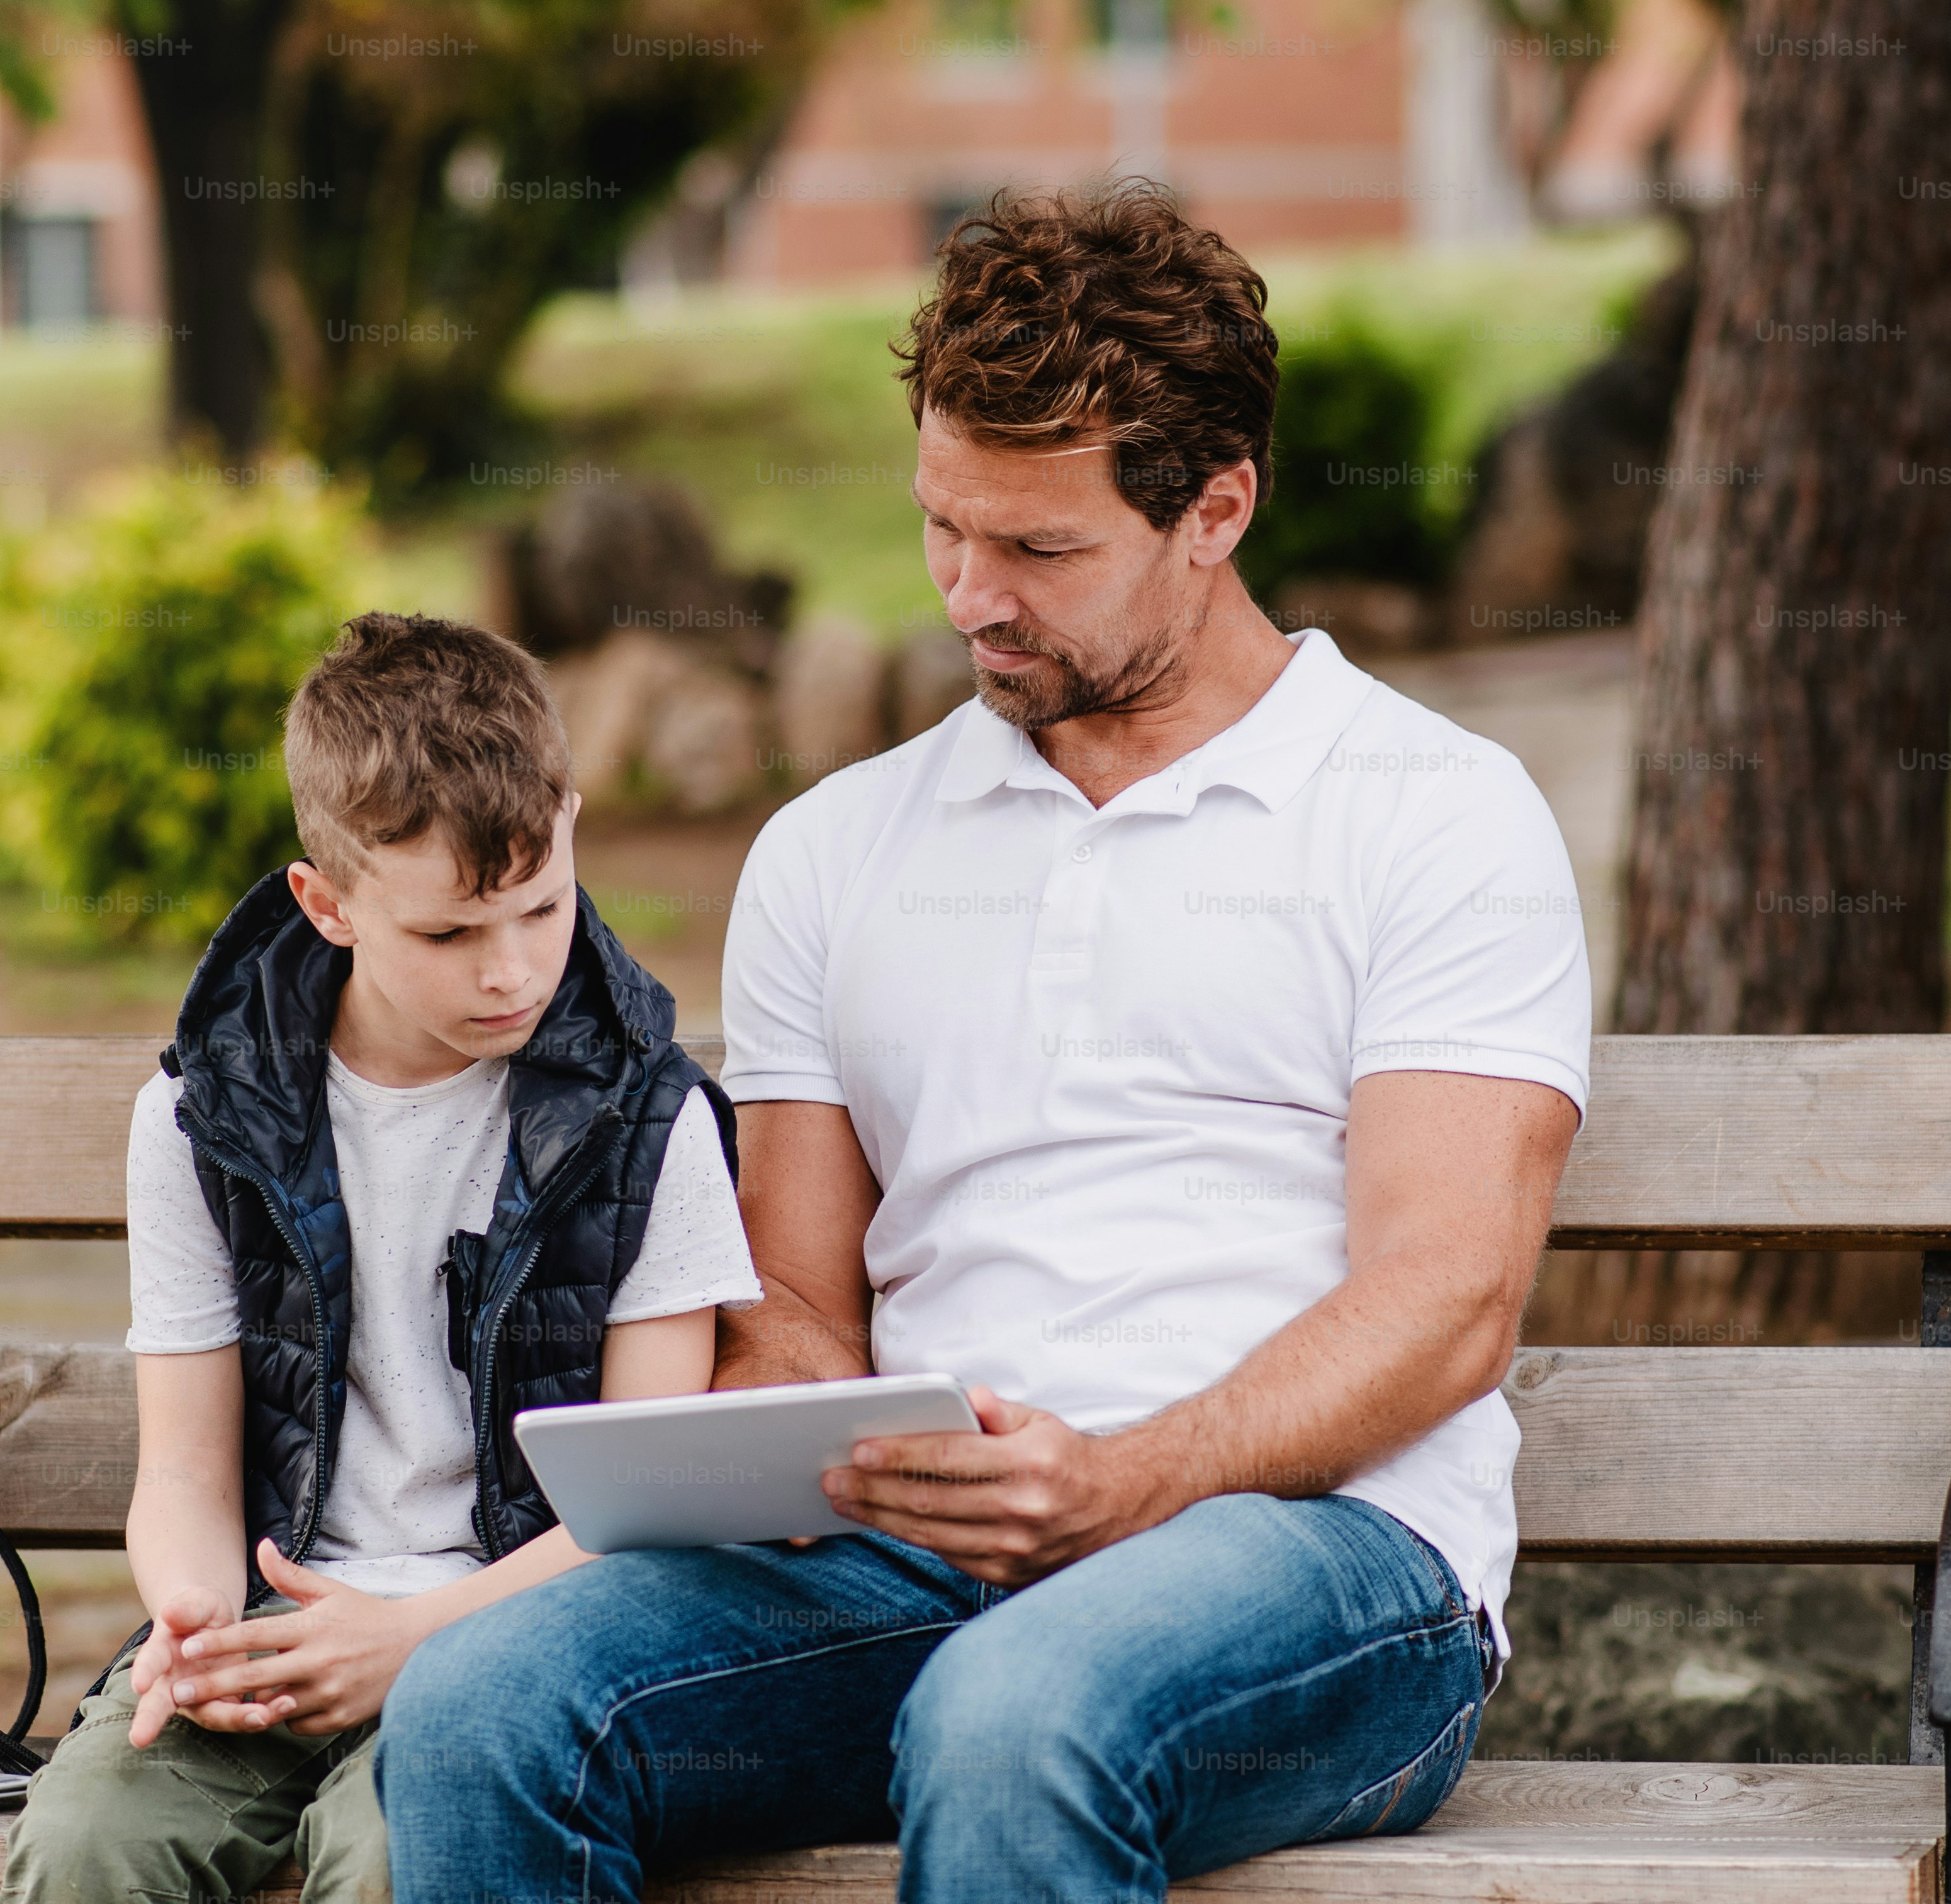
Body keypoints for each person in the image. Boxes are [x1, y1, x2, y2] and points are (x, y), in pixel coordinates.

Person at [359, 179, 1593, 1904]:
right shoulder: (837, 849)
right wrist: (783, 1428)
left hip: (1323, 1562)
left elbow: (1446, 1299)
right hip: (912, 1564)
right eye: (945, 526)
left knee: (1019, 1716)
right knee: (490, 1702)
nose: (970, 598)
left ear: (1215, 509)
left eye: (1041, 550)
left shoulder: (1433, 814)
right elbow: (802, 1305)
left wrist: (1129, 1475)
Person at [0, 613, 761, 1904]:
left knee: (397, 1860)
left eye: (539, 907)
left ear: (572, 825)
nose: (512, 971)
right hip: (274, 1625)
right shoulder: (203, 1118)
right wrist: (190, 1618)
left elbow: (639, 1504)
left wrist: (409, 1636)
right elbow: (184, 1466)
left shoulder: (650, 1121)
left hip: (514, 1641)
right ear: (326, 901)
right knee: (85, 1850)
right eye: (450, 936)